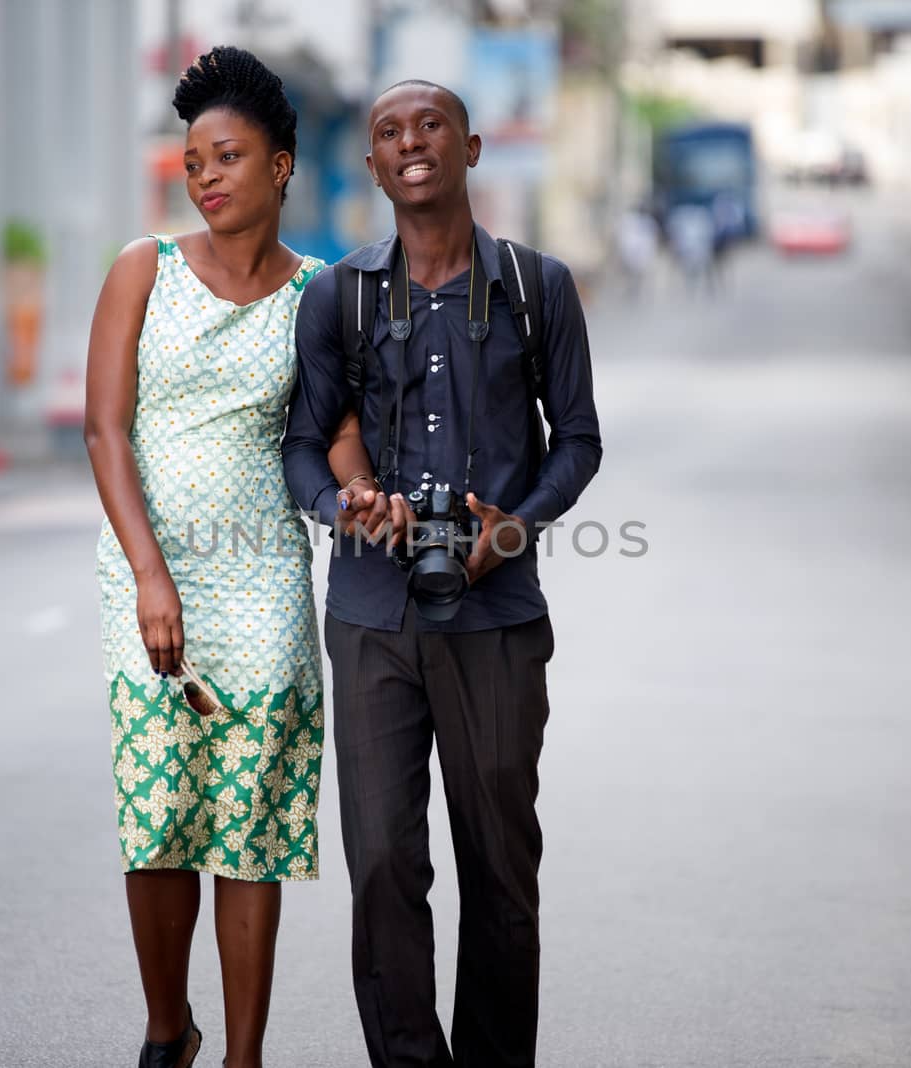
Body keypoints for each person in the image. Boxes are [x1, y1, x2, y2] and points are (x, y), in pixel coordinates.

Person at [282, 80, 603, 1066]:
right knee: (381, 864)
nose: (409, 142)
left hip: (498, 615)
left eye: (429, 126)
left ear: (469, 147)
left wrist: (521, 526)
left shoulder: (536, 286)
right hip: (373, 611)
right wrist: (346, 508)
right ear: (374, 166)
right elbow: (301, 447)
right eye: (388, 133)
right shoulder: (337, 295)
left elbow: (579, 443)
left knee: (501, 872)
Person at [85, 46, 376, 1068]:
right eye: (193, 162)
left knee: (248, 820)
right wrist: (151, 577)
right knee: (159, 809)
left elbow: (335, 438)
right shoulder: (144, 269)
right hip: (151, 574)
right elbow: (105, 432)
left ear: (282, 165)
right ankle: (170, 1032)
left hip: (264, 579)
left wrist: (364, 498)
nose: (205, 177)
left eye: (228, 157)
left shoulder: (322, 294)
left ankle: (245, 1057)